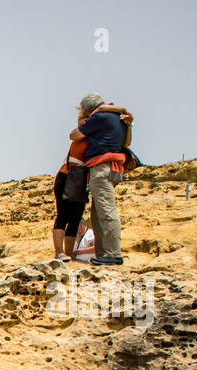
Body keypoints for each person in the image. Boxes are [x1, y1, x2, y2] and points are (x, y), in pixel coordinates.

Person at [69, 93, 132, 266]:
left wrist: (83, 122)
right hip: (114, 167)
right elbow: (127, 143)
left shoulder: (98, 117)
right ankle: (104, 253)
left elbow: (74, 135)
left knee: (106, 211)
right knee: (97, 214)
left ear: (88, 110)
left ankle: (112, 253)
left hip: (101, 166)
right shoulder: (119, 118)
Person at [52, 106, 91, 261]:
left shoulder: (93, 136)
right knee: (63, 215)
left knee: (75, 218)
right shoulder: (82, 133)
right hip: (67, 176)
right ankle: (59, 252)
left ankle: (68, 255)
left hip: (81, 179)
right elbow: (73, 135)